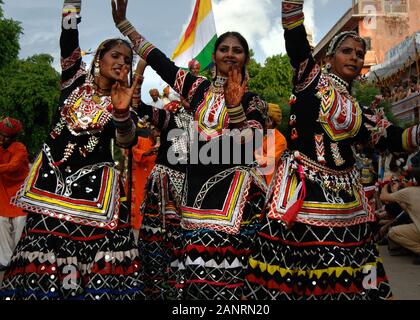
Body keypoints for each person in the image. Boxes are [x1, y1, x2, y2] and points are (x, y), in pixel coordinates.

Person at [245, 0, 420, 300]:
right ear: (329, 58)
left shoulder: (364, 113)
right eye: (346, 51)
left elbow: (399, 139)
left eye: (359, 54)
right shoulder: (310, 80)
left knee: (358, 276)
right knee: (299, 277)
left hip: (348, 205)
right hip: (305, 198)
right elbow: (294, 32)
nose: (354, 57)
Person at [112, 0, 268, 300]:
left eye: (238, 50)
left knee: (234, 274)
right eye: (224, 49)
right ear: (215, 55)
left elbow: (253, 141)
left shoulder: (253, 101)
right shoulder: (196, 89)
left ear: (246, 58)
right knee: (196, 273)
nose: (230, 54)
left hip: (236, 191)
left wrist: (235, 109)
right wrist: (126, 28)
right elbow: (162, 62)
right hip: (196, 191)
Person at [0, 0, 144, 300]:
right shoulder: (74, 81)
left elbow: (127, 140)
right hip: (51, 186)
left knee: (97, 263)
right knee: (41, 259)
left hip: (95, 195)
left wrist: (121, 113)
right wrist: (71, 5)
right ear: (98, 59)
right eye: (115, 55)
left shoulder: (124, 100)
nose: (121, 63)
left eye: (127, 60)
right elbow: (68, 37)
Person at [380, 181, 420, 264]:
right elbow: (405, 208)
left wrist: (384, 186)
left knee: (393, 232)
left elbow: (383, 197)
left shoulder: (406, 192)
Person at [0, 117, 29, 271]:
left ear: (14, 138)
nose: (2, 138)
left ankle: (18, 261)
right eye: (0, 134)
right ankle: (5, 261)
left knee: (19, 228)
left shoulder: (20, 148)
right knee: (1, 224)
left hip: (19, 196)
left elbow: (13, 166)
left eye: (6, 136)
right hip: (3, 195)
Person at [254, 103, 287, 185]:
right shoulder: (259, 133)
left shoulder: (280, 140)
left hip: (268, 181)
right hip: (253, 174)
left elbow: (268, 161)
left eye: (264, 118)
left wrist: (254, 152)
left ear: (271, 121)